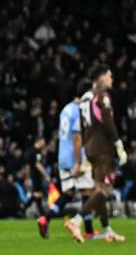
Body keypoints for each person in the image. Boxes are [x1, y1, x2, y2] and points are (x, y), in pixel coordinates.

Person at [77, 64, 126, 243]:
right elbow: (107, 122)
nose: (112, 79)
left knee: (98, 190)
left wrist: (84, 153)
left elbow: (83, 127)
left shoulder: (84, 98)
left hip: (90, 147)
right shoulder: (100, 97)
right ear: (101, 77)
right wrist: (118, 143)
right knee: (105, 190)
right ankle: (77, 220)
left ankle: (106, 229)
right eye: (109, 75)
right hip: (102, 148)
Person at [43, 82, 95, 240]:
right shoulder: (79, 111)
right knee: (89, 191)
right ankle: (88, 230)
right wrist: (79, 162)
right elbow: (77, 137)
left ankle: (46, 218)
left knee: (68, 193)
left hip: (63, 156)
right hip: (75, 156)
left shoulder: (66, 109)